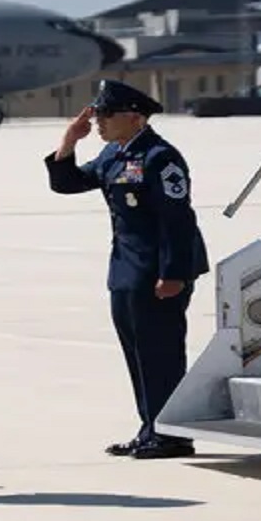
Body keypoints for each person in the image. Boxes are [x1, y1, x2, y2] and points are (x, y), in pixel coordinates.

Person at [44, 79, 208, 460]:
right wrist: (69, 142)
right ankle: (151, 428)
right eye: (97, 115)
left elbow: (177, 220)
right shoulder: (114, 154)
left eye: (105, 115)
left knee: (160, 353)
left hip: (159, 272)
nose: (98, 122)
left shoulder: (159, 157)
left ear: (135, 118)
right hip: (126, 269)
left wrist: (174, 274)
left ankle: (172, 435)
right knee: (138, 354)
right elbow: (68, 183)